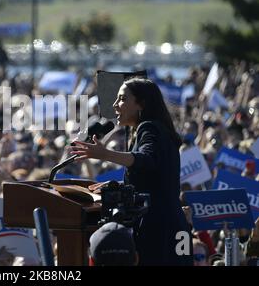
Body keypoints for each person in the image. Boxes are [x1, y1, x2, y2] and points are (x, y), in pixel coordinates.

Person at [71, 77, 193, 266]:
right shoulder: (156, 130)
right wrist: (118, 186)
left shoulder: (149, 128)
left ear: (141, 104)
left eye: (122, 98)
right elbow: (155, 180)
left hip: (159, 230)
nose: (115, 105)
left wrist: (104, 154)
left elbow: (147, 160)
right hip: (175, 226)